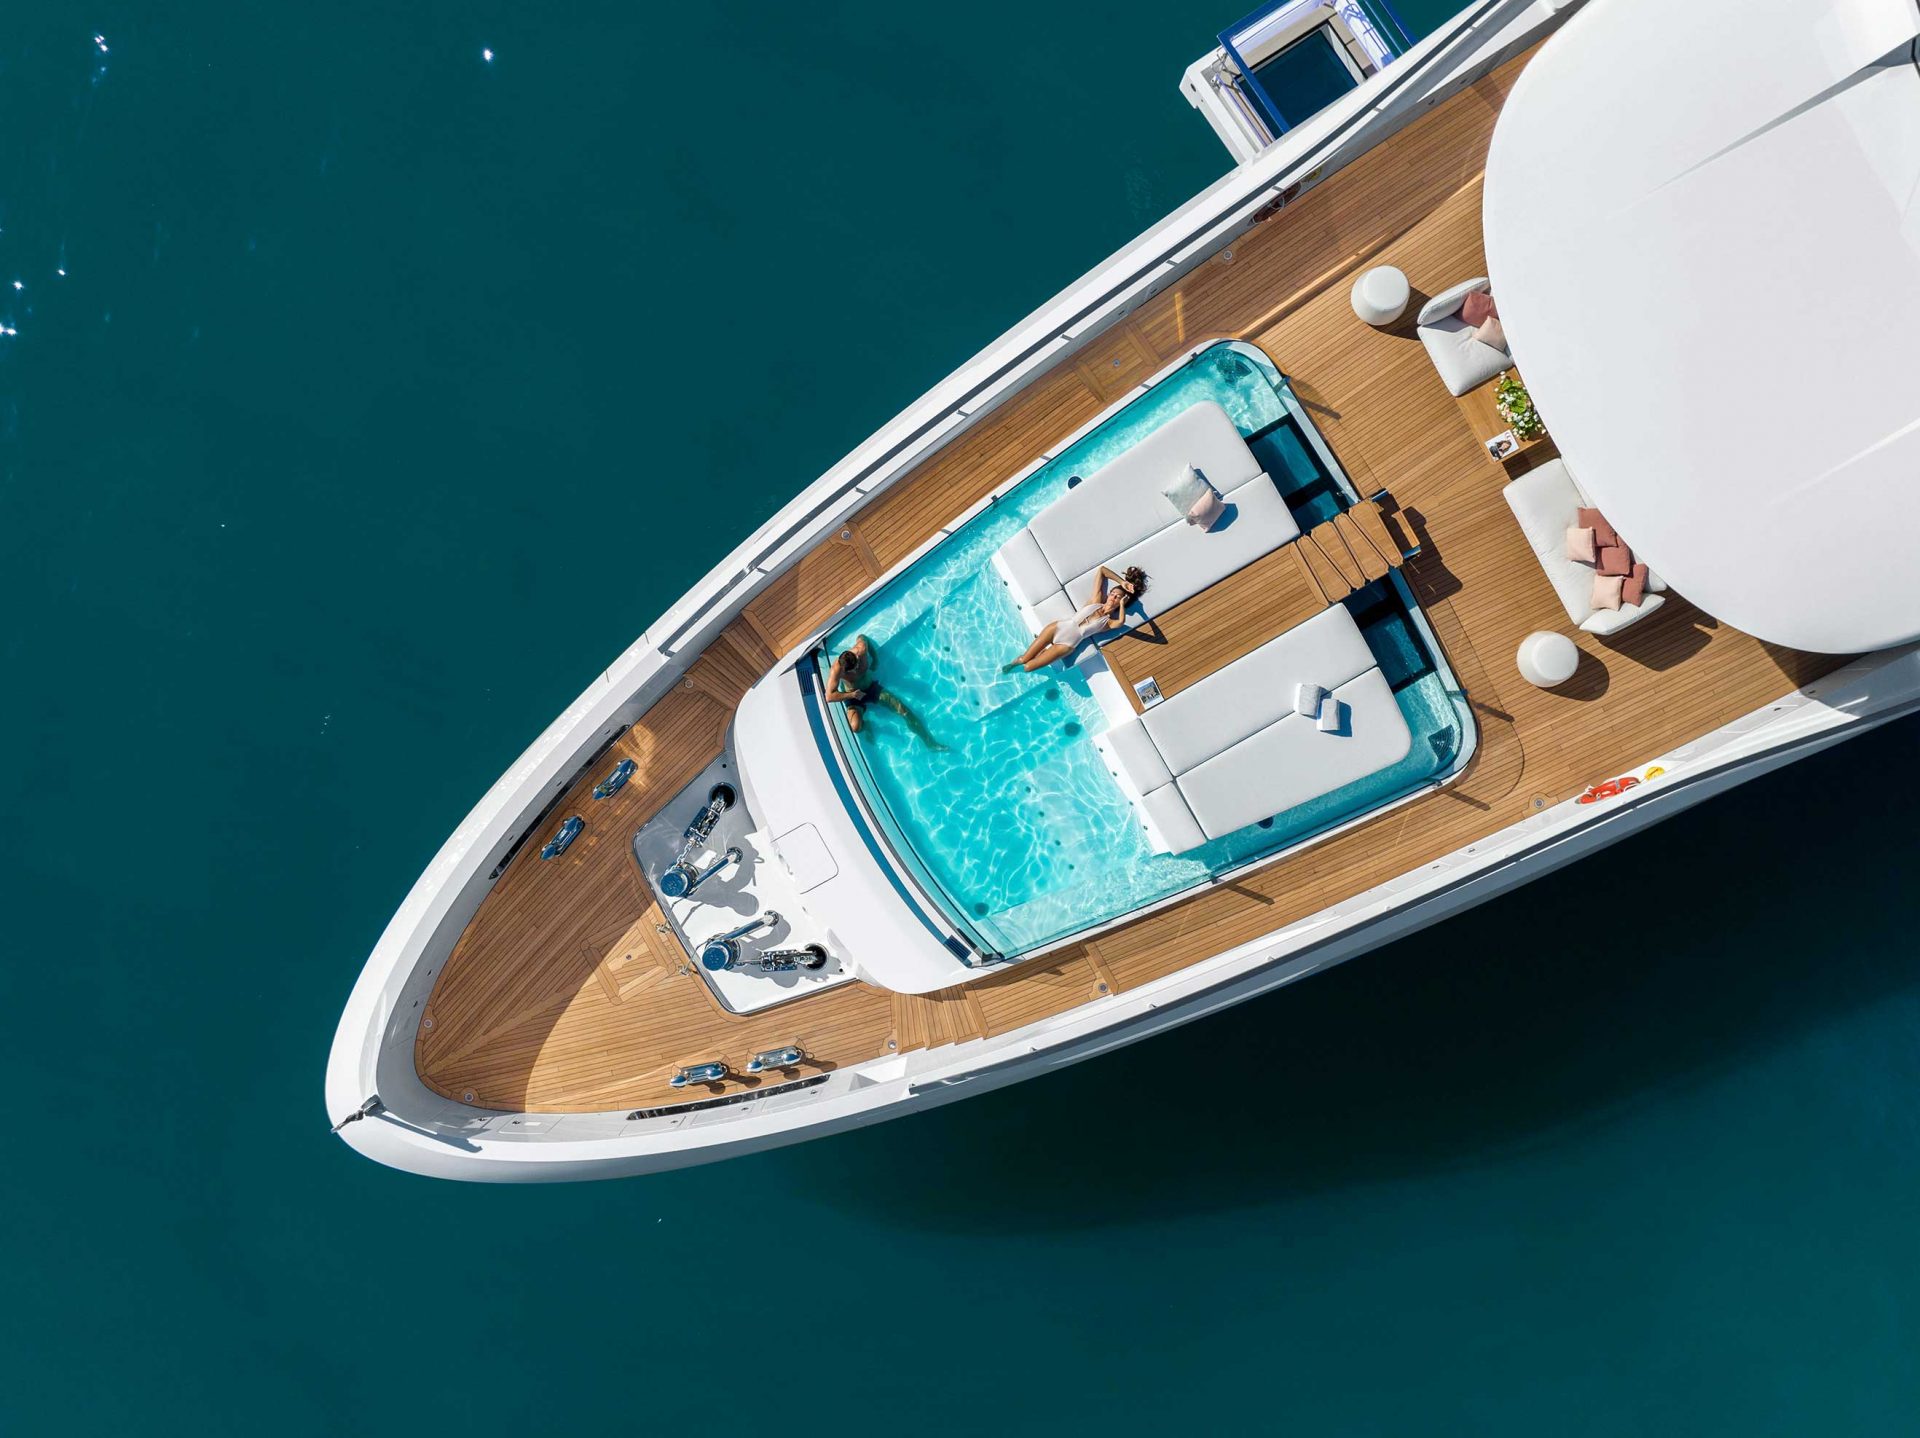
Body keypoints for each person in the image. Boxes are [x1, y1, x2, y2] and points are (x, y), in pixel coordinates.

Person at [1004, 565, 1147, 673]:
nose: (1113, 597)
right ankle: (1011, 665)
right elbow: (1102, 570)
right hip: (1057, 628)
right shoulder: (1096, 600)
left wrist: (1122, 605)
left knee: (1028, 667)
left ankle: (1042, 654)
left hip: (1066, 645)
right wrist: (1122, 582)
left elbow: (1121, 622)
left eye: (1117, 597)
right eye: (1112, 594)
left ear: (1121, 602)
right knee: (1023, 659)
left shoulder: (1108, 622)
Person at [825, 634, 946, 749]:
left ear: (856, 657)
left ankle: (929, 742)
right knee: (855, 727)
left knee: (904, 711)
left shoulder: (861, 648)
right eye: (851, 671)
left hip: (872, 688)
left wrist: (875, 658)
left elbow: (862, 637)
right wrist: (852, 694)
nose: (855, 671)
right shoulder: (837, 669)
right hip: (854, 696)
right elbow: (829, 696)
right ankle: (867, 726)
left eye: (856, 667)